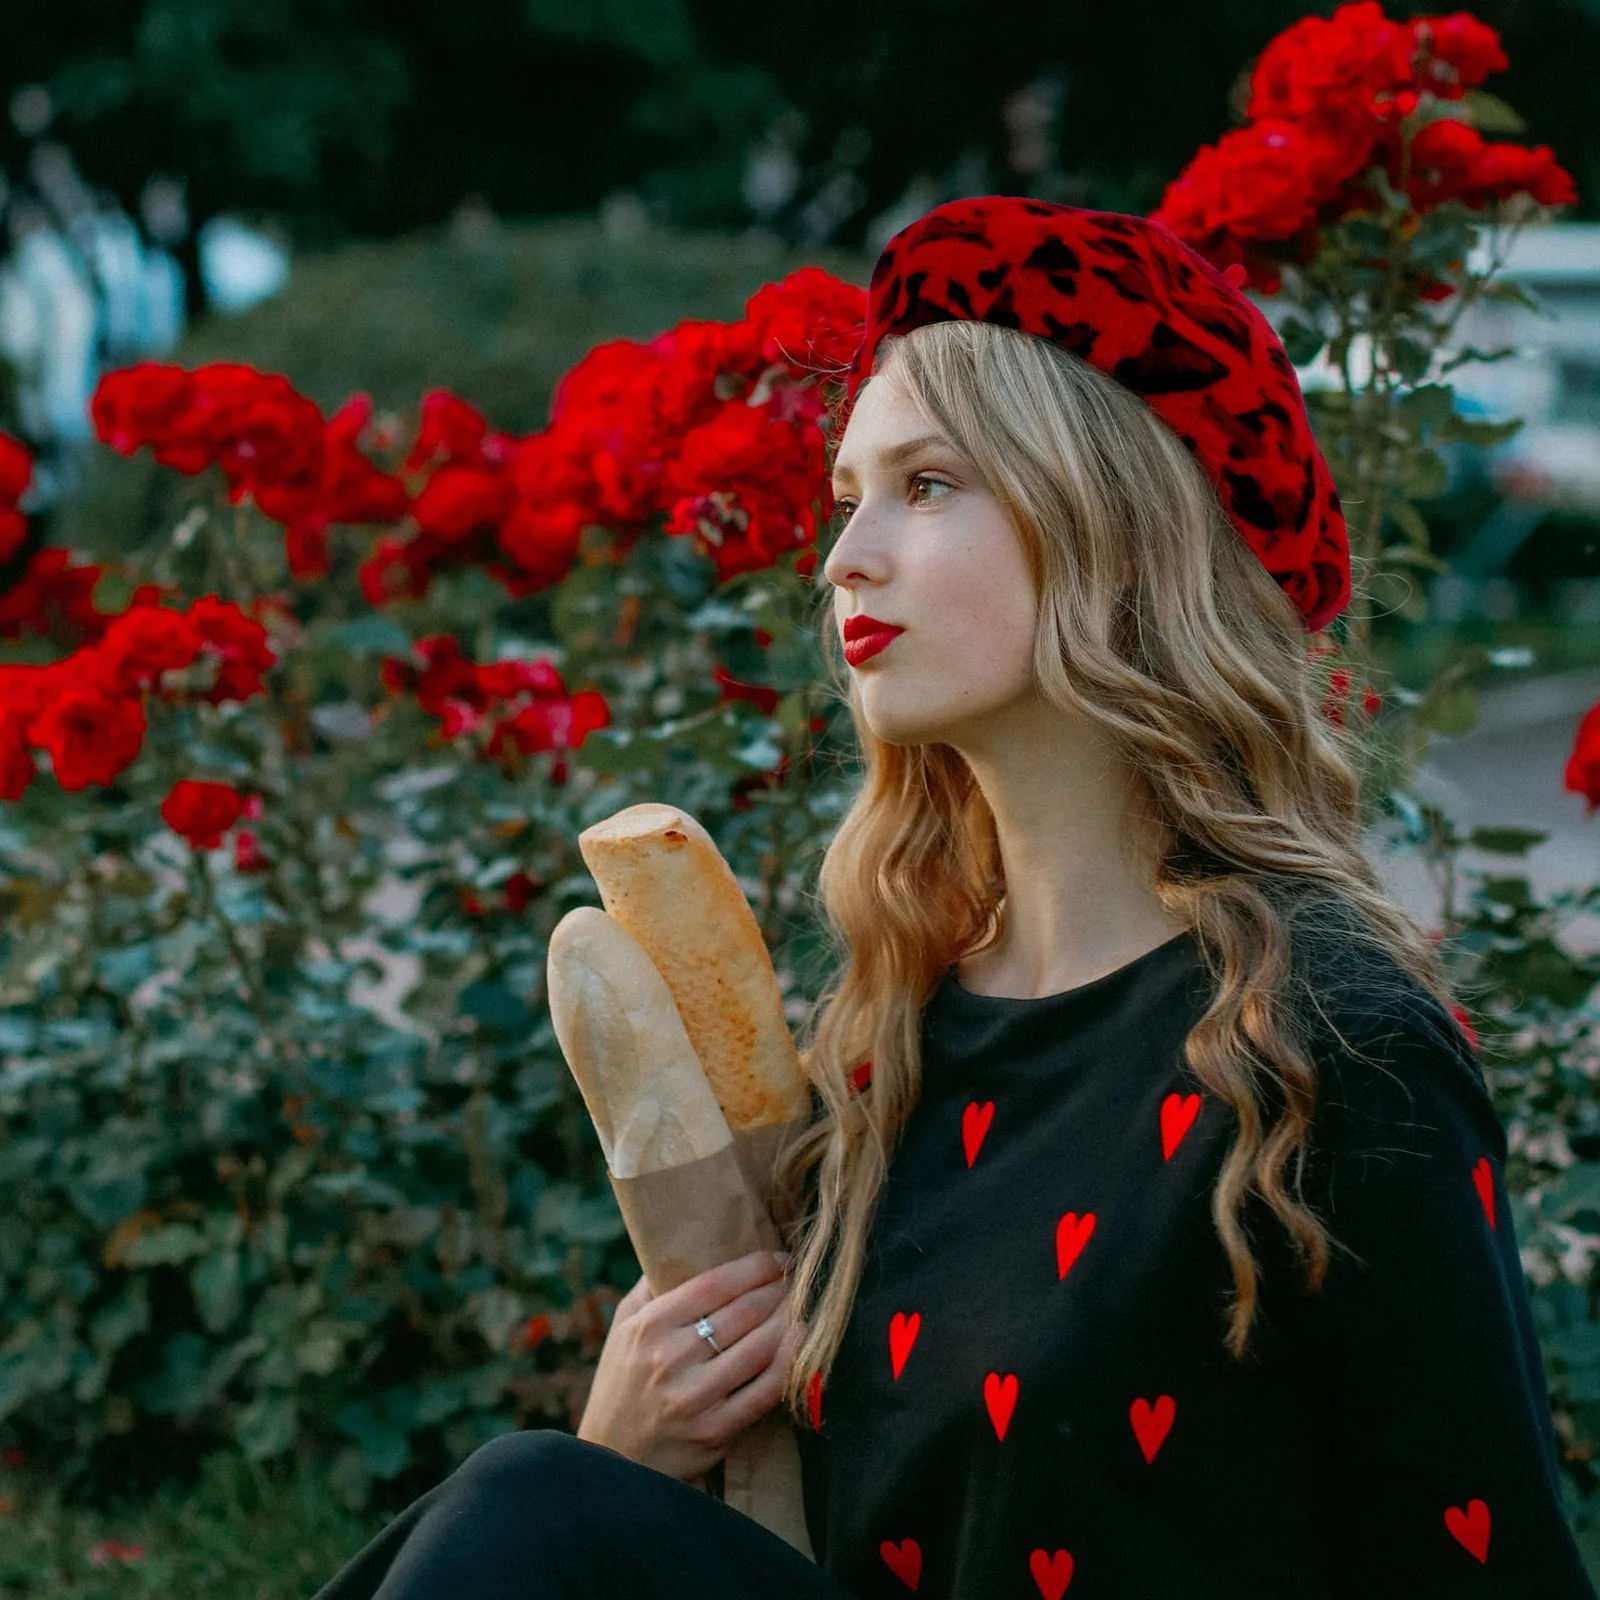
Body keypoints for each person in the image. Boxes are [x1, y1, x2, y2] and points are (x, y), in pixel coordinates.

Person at [313, 197, 1599, 1599]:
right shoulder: (890, 1035)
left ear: (1109, 523)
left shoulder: (1335, 1041)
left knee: (534, 1505)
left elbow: (1491, 1566)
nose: (844, 556)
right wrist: (633, 1444)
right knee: (553, 1490)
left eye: (926, 486)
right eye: (848, 495)